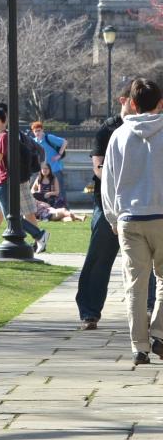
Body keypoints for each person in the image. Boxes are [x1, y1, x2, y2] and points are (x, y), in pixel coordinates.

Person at [78, 90, 155, 330]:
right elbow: (99, 167)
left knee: (150, 261)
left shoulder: (154, 127)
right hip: (109, 203)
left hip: (142, 204)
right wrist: (120, 180)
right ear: (124, 101)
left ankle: (151, 308)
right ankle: (90, 312)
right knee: (99, 256)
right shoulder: (109, 129)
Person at [101, 78, 163, 365]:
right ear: (160, 103)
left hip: (129, 216)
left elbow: (108, 180)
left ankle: (139, 346)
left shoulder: (119, 135)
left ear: (133, 104)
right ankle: (159, 332)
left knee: (135, 284)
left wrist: (112, 216)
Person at [0, 103, 47, 255]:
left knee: (11, 217)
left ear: (0, 120)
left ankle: (39, 235)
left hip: (2, 181)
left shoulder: (4, 136)